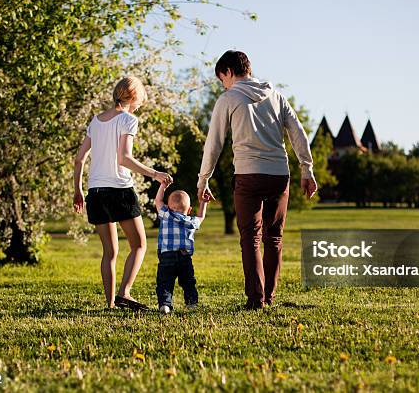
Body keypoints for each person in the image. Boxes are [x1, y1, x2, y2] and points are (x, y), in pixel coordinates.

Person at [197, 50, 317, 310]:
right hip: (279, 174)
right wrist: (307, 169)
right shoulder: (276, 95)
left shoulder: (228, 98)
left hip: (248, 174)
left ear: (228, 72)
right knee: (274, 239)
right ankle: (269, 297)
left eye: (222, 80)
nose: (224, 85)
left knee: (250, 239)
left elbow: (214, 143)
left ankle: (256, 300)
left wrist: (203, 179)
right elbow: (298, 133)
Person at [73, 76, 173, 310]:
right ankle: (125, 293)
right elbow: (124, 158)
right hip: (119, 190)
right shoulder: (129, 120)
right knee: (139, 245)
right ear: (133, 97)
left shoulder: (96, 121)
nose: (139, 105)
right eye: (140, 100)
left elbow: (79, 159)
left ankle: (110, 304)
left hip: (95, 192)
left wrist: (78, 190)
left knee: (110, 251)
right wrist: (155, 174)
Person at [154, 181, 209, 314]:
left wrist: (163, 185)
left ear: (168, 206)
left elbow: (157, 200)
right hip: (184, 257)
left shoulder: (166, 215)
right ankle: (191, 303)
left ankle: (165, 305)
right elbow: (201, 216)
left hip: (167, 256)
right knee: (188, 282)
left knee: (165, 282)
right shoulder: (191, 221)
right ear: (189, 210)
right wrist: (203, 202)